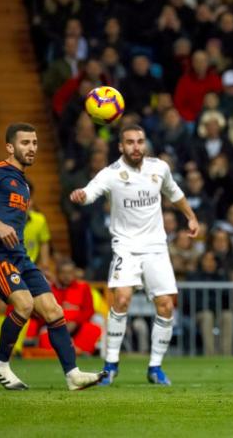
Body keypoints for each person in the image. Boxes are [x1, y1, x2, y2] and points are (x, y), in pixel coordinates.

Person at [0, 123, 103, 390]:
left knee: (53, 311)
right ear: (10, 147)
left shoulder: (24, 185)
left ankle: (72, 374)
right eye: (25, 143)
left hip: (21, 257)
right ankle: (0, 364)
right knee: (25, 305)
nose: (32, 148)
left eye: (35, 143)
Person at [70, 124, 199, 386]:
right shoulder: (111, 173)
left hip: (156, 247)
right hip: (126, 246)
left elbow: (174, 193)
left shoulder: (159, 168)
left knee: (165, 304)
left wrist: (191, 216)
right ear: (120, 147)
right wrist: (81, 196)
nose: (136, 147)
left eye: (140, 141)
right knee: (122, 298)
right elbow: (91, 192)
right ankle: (111, 365)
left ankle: (155, 368)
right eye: (130, 142)